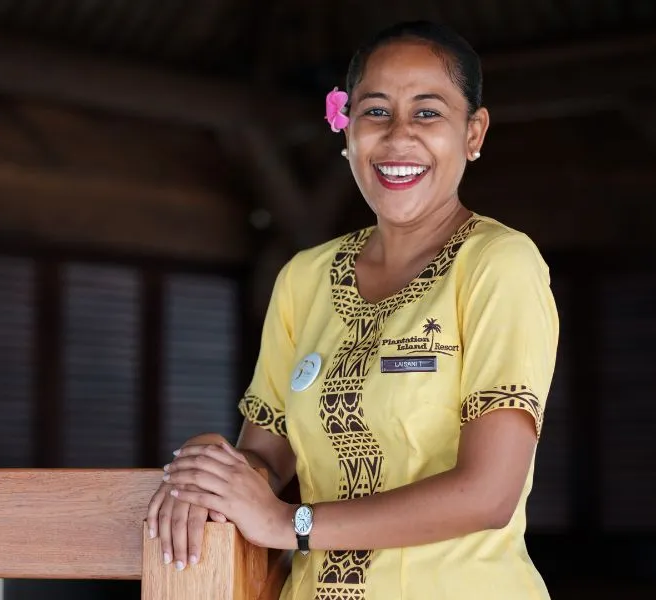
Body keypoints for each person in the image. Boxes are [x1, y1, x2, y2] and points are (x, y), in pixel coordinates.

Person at [146, 19, 559, 600]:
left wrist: (290, 524)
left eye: (428, 112)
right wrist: (210, 468)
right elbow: (265, 457)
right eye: (376, 111)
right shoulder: (305, 279)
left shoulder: (499, 264)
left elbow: (488, 494)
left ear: (473, 132)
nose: (398, 137)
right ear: (347, 128)